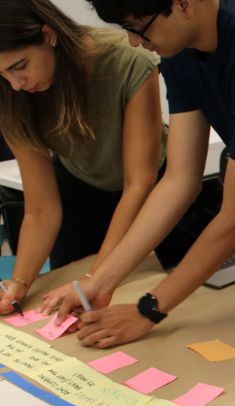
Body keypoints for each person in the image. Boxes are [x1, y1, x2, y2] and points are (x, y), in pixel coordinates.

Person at [41, 0, 235, 347]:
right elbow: (179, 180)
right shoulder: (181, 49)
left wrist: (147, 310)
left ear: (182, 4)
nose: (136, 42)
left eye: (140, 28)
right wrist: (100, 281)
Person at [0, 0, 189, 315]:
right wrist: (19, 281)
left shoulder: (125, 61)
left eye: (20, 66)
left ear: (49, 35)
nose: (16, 84)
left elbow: (138, 184)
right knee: (70, 305)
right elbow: (41, 209)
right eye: (3, 74)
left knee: (151, 298)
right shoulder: (9, 91)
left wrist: (95, 278)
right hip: (79, 188)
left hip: (152, 187)